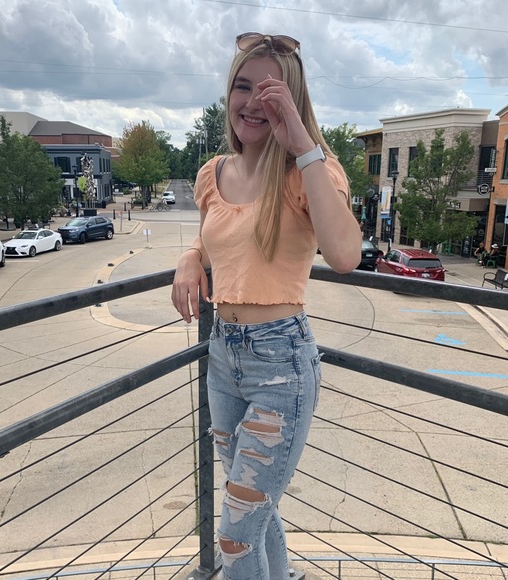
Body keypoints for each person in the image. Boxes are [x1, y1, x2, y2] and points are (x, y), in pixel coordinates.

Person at [171, 32, 361, 579]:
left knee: (235, 534)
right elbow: (213, 240)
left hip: (281, 367)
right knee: (254, 508)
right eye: (242, 86)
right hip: (223, 359)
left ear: (293, 101)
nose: (252, 101)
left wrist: (302, 143)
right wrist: (190, 256)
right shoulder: (213, 173)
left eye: (270, 91)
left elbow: (345, 255)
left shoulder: (311, 172)